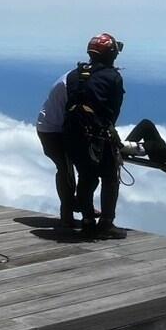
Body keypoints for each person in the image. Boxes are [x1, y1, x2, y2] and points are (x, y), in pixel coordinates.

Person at [62, 33, 126, 239]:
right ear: (111, 54)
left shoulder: (74, 75)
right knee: (110, 177)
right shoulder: (113, 77)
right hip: (97, 135)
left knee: (86, 177)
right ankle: (106, 223)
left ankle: (87, 220)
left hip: (72, 134)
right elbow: (113, 111)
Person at [36, 68, 77, 228]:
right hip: (54, 131)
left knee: (67, 168)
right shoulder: (76, 81)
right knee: (66, 168)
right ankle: (68, 212)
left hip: (49, 128)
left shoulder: (75, 75)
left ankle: (72, 206)